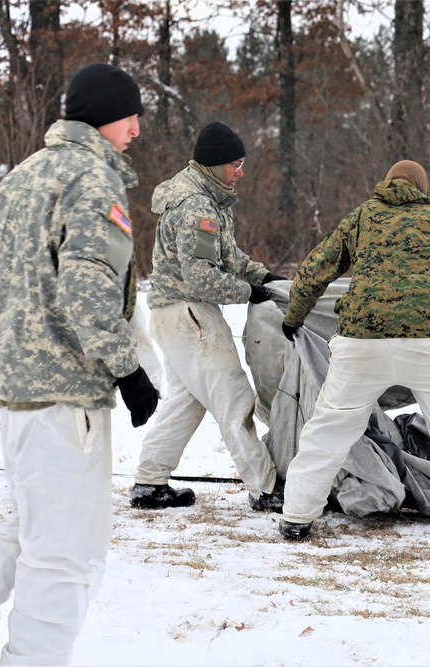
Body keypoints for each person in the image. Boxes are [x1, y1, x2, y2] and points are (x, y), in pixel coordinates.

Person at [0, 63, 159, 666]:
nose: (137, 127)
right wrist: (127, 369)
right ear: (107, 115)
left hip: (19, 396)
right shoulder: (92, 181)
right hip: (66, 395)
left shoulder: (18, 181)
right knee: (68, 552)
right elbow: (86, 286)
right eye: (131, 114)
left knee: (43, 522)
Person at [277, 160, 430, 551]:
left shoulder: (361, 217)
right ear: (422, 186)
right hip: (429, 344)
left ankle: (297, 517)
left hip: (360, 344)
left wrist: (293, 318)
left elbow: (316, 268)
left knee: (329, 429)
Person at [129, 121, 286, 512]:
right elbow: (201, 277)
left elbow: (227, 258)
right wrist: (250, 292)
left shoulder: (205, 198)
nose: (241, 171)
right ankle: (266, 489)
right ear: (217, 164)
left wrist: (263, 275)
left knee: (187, 400)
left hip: (172, 313)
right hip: (189, 314)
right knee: (233, 399)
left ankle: (150, 483)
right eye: (236, 163)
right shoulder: (198, 207)